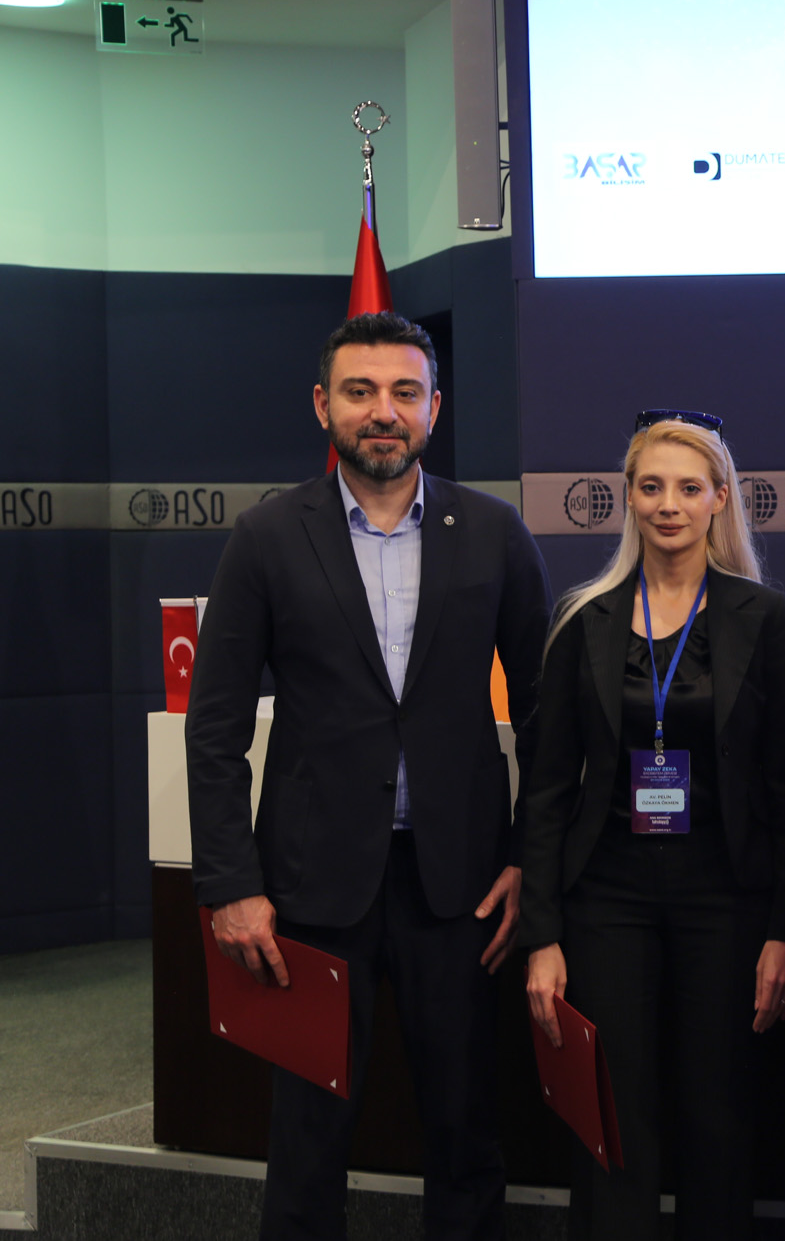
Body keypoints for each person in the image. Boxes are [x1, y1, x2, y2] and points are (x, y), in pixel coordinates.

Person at [186, 311, 549, 1240]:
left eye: (403, 391)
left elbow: (549, 722)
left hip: (461, 890)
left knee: (466, 1135)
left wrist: (528, 861)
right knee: (308, 1145)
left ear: (434, 406)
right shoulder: (267, 536)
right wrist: (230, 885)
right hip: (309, 894)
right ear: (323, 405)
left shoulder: (496, 533)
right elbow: (215, 728)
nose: (383, 411)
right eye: (360, 391)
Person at [519, 412, 785, 1240]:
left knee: (719, 1115)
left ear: (720, 498)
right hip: (606, 899)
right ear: (630, 497)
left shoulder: (763, 616)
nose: (668, 505)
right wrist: (543, 934)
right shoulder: (583, 617)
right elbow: (546, 791)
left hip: (727, 900)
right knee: (614, 1112)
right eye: (651, 487)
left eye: (688, 488)